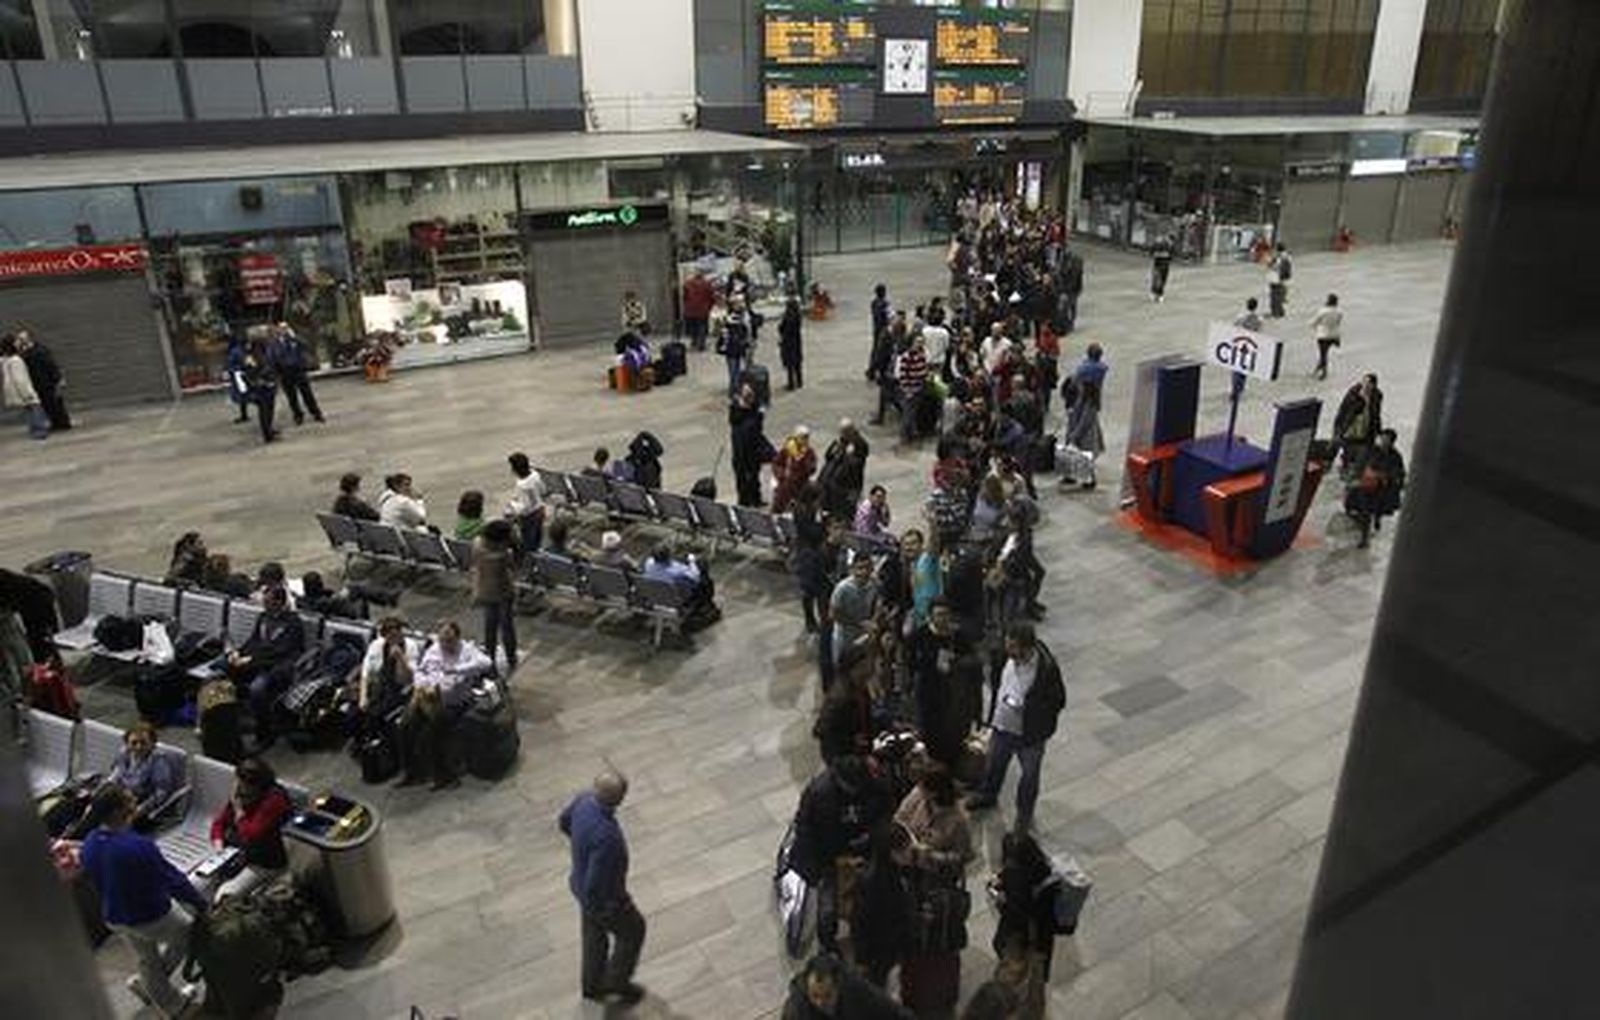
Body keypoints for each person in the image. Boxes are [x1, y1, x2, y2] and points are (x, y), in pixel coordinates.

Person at [79, 785, 205, 1016]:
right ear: (118, 811)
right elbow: (173, 881)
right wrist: (200, 903)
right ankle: (162, 995)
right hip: (150, 916)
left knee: (147, 958)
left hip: (114, 915)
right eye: (130, 799)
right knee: (190, 935)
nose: (135, 800)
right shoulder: (137, 846)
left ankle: (159, 994)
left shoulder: (89, 842)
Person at [789, 756, 893, 956]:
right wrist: (816, 868)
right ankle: (828, 946)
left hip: (864, 848)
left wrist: (872, 836)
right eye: (850, 787)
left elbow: (884, 809)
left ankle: (867, 932)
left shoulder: (871, 783)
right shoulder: (820, 794)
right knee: (827, 907)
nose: (854, 791)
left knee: (870, 894)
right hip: (828, 856)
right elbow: (807, 832)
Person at [967, 623, 1066, 831]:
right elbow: (996, 682)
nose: (1008, 650)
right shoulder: (1003, 656)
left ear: (1027, 647)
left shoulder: (1047, 669)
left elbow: (1058, 701)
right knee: (994, 763)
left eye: (1013, 647)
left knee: (1029, 776)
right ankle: (987, 795)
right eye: (1007, 645)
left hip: (1029, 735)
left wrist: (1028, 708)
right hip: (1002, 726)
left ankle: (1024, 814)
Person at [559, 771, 646, 1006]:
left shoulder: (583, 800)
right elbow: (596, 884)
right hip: (603, 901)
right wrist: (606, 908)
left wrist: (581, 850)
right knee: (633, 931)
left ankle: (591, 985)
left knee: (594, 938)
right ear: (619, 800)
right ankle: (616, 982)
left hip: (578, 885)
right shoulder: (607, 837)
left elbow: (564, 821)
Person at [895, 764, 974, 1013]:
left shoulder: (958, 819)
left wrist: (931, 856)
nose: (919, 791)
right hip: (911, 873)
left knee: (934, 934)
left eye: (924, 788)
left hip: (938, 883)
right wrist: (906, 839)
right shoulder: (918, 797)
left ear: (936, 791)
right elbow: (900, 818)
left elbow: (963, 856)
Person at [400, 620, 492, 788]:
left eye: (449, 640)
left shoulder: (468, 650)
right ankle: (412, 773)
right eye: (442, 640)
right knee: (406, 724)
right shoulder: (435, 649)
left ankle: (445, 776)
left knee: (431, 733)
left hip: (455, 703)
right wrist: (423, 685)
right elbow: (420, 671)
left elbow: (486, 663)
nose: (445, 644)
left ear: (457, 638)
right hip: (429, 698)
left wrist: (458, 669)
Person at [991, 831, 1059, 1019]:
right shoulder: (1044, 871)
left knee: (1016, 979)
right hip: (1041, 941)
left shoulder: (1016, 878)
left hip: (1020, 939)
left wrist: (1001, 900)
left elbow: (1015, 913)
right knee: (1035, 980)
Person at [227, 585, 305, 748]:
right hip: (256, 661)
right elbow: (253, 641)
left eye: (268, 602)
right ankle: (230, 721)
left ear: (279, 602)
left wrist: (250, 660)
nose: (264, 605)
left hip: (275, 667)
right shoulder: (263, 617)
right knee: (222, 672)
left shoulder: (293, 623)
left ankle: (264, 733)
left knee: (257, 690)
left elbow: (281, 652)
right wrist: (238, 652)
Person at [907, 599, 980, 770]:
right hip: (928, 692)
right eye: (939, 614)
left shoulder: (958, 635)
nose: (943, 619)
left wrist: (957, 662)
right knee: (929, 733)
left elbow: (974, 660)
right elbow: (910, 661)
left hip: (953, 695)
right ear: (931, 616)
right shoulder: (919, 635)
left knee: (952, 734)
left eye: (946, 614)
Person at [209, 757, 292, 899]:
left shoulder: (274, 800)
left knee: (224, 894)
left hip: (264, 863)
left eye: (241, 784)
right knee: (208, 881)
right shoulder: (241, 794)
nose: (237, 787)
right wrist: (218, 844)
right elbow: (220, 822)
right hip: (240, 854)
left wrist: (239, 811)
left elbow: (251, 834)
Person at [850, 822, 915, 988]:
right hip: (879, 950)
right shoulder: (872, 883)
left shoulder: (900, 870)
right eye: (904, 849)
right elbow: (859, 922)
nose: (910, 853)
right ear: (891, 852)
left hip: (896, 943)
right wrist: (862, 959)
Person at [781, 951, 913, 1020]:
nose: (820, 1003)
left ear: (839, 987)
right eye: (814, 996)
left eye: (828, 996)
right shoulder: (797, 1010)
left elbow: (894, 1012)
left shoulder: (856, 991)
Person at [1345, 427, 1406, 549]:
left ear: (1391, 441)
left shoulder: (1395, 456)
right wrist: (1355, 477)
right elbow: (1361, 464)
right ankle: (1365, 536)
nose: (1383, 441)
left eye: (1386, 439)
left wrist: (1385, 477)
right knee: (1363, 511)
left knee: (1372, 510)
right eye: (1382, 438)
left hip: (1382, 489)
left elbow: (1399, 473)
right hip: (1366, 486)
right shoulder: (1372, 451)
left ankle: (1374, 523)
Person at [1060, 343, 1108, 491]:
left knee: (1084, 451)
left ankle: (1087, 478)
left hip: (1081, 424)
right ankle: (1073, 475)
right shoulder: (1100, 371)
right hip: (1081, 421)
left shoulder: (1086, 396)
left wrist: (1075, 433)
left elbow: (1085, 418)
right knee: (1084, 450)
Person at [474, 519, 518, 674]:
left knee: (490, 626)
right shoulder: (503, 555)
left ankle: (490, 658)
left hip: (485, 590)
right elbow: (513, 567)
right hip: (503, 591)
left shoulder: (477, 545)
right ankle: (511, 656)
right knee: (507, 626)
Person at [356, 615, 420, 720]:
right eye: (389, 636)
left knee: (379, 716)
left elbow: (408, 678)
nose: (393, 639)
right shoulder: (377, 645)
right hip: (377, 686)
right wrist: (363, 697)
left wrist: (400, 658)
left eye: (396, 635)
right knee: (355, 711)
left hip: (398, 690)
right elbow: (366, 672)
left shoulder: (411, 646)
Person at [641, 543, 719, 625]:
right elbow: (695, 577)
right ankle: (704, 606)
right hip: (676, 599)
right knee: (704, 578)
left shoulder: (648, 565)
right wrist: (692, 562)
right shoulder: (678, 571)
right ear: (668, 555)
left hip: (655, 597)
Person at [269, 322, 324, 425]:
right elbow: (273, 357)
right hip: (285, 373)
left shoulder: (294, 340)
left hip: (299, 370)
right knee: (292, 396)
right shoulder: (275, 344)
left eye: (286, 328)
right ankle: (298, 415)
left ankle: (316, 413)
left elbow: (306, 346)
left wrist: (294, 337)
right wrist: (277, 372)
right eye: (282, 328)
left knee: (307, 394)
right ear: (278, 330)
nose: (284, 330)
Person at [15, 328, 70, 431]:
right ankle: (57, 423)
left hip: (47, 381)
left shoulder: (38, 350)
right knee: (48, 404)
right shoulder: (28, 351)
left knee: (54, 403)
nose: (20, 340)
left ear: (29, 338)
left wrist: (58, 378)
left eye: (22, 338)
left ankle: (62, 424)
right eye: (19, 338)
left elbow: (51, 364)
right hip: (39, 382)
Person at [829, 556, 878, 670]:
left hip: (864, 635)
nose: (864, 572)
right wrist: (859, 623)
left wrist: (874, 620)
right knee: (842, 669)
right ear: (852, 569)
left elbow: (877, 604)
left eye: (867, 568)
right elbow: (832, 614)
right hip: (845, 637)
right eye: (860, 568)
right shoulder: (842, 588)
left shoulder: (874, 584)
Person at [818, 418, 870, 521]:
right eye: (841, 432)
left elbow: (855, 466)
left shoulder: (859, 444)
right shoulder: (840, 441)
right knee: (829, 510)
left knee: (845, 513)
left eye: (845, 432)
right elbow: (828, 456)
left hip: (847, 486)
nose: (842, 435)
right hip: (830, 483)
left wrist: (848, 455)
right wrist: (835, 448)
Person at [729, 381, 771, 508]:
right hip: (744, 455)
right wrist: (759, 416)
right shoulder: (739, 414)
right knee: (745, 480)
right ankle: (746, 502)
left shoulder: (750, 408)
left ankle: (755, 499)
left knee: (754, 479)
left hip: (751, 452)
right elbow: (751, 429)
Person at [1333, 373, 1384, 478]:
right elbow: (1343, 411)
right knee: (1348, 450)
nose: (1365, 386)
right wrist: (1338, 429)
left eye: (1369, 384)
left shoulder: (1376, 396)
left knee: (1363, 453)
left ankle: (1356, 472)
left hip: (1366, 430)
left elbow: (1376, 414)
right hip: (1350, 428)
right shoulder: (1353, 393)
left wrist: (1378, 431)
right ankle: (1345, 468)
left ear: (1373, 386)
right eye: (1364, 382)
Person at [0, 334, 48, 440]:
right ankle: (39, 431)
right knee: (35, 408)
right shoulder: (16, 360)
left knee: (29, 410)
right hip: (23, 390)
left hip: (15, 390)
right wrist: (27, 393)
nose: (19, 343)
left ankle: (34, 430)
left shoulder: (6, 360)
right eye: (16, 341)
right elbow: (20, 379)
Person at [505, 451, 546, 553]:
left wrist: (512, 505)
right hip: (540, 509)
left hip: (529, 516)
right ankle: (537, 551)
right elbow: (543, 490)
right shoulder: (535, 475)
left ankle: (529, 555)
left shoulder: (522, 485)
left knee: (528, 539)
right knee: (537, 534)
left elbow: (525, 507)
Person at [240, 335, 279, 444]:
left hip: (269, 385)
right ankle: (267, 434)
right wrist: (256, 383)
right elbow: (248, 372)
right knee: (264, 411)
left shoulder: (265, 355)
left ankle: (270, 429)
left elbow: (271, 367)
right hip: (260, 387)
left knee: (270, 409)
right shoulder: (250, 357)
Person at [771, 425, 817, 514]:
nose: (805, 440)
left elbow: (812, 467)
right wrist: (781, 473)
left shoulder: (809, 452)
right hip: (786, 479)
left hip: (801, 481)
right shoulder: (787, 449)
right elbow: (776, 463)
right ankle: (777, 512)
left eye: (806, 438)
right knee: (782, 491)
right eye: (803, 437)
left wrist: (805, 463)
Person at [897, 333, 931, 443]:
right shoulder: (906, 357)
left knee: (914, 412)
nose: (920, 344)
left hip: (919, 388)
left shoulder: (922, 355)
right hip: (909, 389)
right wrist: (907, 390)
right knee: (908, 414)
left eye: (921, 342)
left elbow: (924, 369)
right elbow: (903, 375)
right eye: (917, 342)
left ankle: (912, 432)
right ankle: (904, 435)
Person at [720, 294, 753, 396]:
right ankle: (736, 389)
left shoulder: (730, 317)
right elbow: (748, 331)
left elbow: (724, 332)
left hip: (733, 347)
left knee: (734, 369)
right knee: (736, 369)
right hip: (737, 347)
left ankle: (734, 389)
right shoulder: (742, 317)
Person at [1310, 293, 1343, 380]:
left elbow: (1314, 322)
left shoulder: (1323, 311)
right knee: (1324, 353)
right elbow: (1338, 323)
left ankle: (1324, 373)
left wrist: (1314, 327)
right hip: (1334, 335)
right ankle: (1317, 369)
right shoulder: (1339, 312)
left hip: (1323, 335)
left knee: (1323, 354)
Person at [682, 270, 715, 351]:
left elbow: (685, 297)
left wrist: (687, 306)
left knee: (693, 327)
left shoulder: (688, 283)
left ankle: (694, 342)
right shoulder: (706, 284)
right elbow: (711, 296)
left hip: (690, 309)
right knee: (702, 326)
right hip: (703, 309)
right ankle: (701, 344)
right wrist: (709, 306)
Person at [780, 296, 805, 390]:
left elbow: (782, 328)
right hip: (797, 340)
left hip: (788, 342)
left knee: (790, 363)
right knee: (797, 362)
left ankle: (791, 384)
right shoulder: (798, 315)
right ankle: (799, 381)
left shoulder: (788, 316)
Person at [868, 283, 891, 380]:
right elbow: (888, 317)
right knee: (882, 350)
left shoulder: (873, 303)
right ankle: (878, 371)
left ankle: (871, 370)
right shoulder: (885, 303)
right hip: (883, 329)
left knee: (875, 349)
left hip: (876, 328)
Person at [1149, 234, 1174, 302]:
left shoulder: (1169, 245)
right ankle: (1157, 293)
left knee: (1161, 280)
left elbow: (1171, 255)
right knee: (1158, 279)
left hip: (1164, 264)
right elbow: (1152, 252)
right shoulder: (1159, 243)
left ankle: (1158, 294)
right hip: (1159, 264)